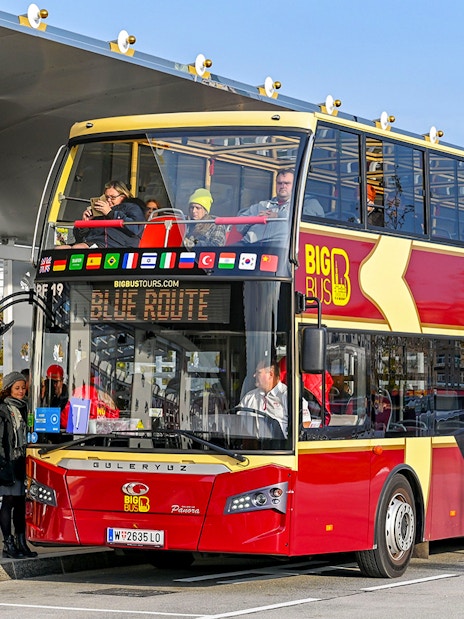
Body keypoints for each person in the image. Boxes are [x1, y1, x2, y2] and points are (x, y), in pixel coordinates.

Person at [0, 372, 38, 559]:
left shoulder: (25, 408)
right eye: (17, 388)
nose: (21, 391)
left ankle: (21, 541)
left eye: (23, 388)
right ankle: (8, 544)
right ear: (8, 389)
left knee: (21, 503)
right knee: (8, 501)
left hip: (22, 461)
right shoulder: (3, 409)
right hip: (8, 461)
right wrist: (3, 462)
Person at [56, 180, 146, 249]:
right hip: (94, 241)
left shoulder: (132, 207)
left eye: (113, 197)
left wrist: (111, 213)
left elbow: (136, 228)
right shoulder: (100, 210)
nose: (109, 200)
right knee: (61, 249)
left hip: (118, 245)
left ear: (123, 197)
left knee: (78, 248)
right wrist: (85, 223)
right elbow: (79, 237)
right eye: (106, 197)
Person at [237, 169, 294, 244]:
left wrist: (277, 216)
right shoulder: (262, 205)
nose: (283, 186)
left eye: (287, 183)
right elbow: (239, 226)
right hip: (249, 244)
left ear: (294, 185)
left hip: (279, 246)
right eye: (280, 183)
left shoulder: (298, 208)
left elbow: (301, 222)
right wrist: (256, 219)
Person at [238, 358, 287, 438]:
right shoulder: (249, 397)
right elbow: (237, 421)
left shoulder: (287, 396)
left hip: (280, 448)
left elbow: (305, 423)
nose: (254, 375)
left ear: (271, 374)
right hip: (253, 447)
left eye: (258, 372)